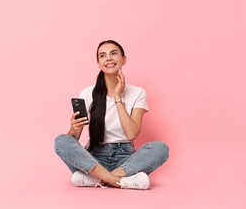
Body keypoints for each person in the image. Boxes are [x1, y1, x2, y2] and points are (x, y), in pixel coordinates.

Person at [54, 40, 169, 189]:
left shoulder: (138, 93)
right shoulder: (87, 93)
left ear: (124, 59)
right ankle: (120, 181)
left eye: (113, 53)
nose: (108, 58)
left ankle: (96, 180)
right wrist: (73, 128)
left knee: (160, 148)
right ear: (99, 63)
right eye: (103, 55)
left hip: (125, 159)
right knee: (61, 141)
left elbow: (131, 134)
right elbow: (73, 140)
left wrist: (118, 98)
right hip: (93, 158)